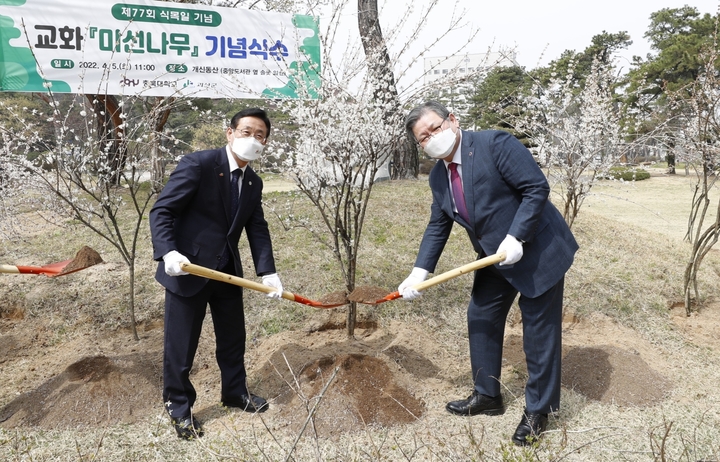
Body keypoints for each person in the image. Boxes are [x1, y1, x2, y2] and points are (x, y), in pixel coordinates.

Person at [398, 101, 578, 446]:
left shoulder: (495, 144)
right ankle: (487, 395)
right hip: (493, 257)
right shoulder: (439, 176)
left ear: (453, 119)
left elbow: (535, 188)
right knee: (481, 315)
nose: (432, 138)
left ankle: (538, 411)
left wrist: (517, 235)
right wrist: (419, 271)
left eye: (435, 128)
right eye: (423, 138)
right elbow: (439, 225)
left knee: (539, 331)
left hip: (537, 248)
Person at [149, 107, 284, 440]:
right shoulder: (200, 164)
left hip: (226, 271)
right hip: (187, 269)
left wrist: (268, 271)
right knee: (181, 346)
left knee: (232, 338)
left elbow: (257, 227)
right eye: (247, 132)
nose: (253, 139)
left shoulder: (253, 181)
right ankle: (178, 408)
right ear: (230, 132)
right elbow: (162, 210)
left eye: (260, 135)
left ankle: (234, 392)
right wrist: (168, 251)